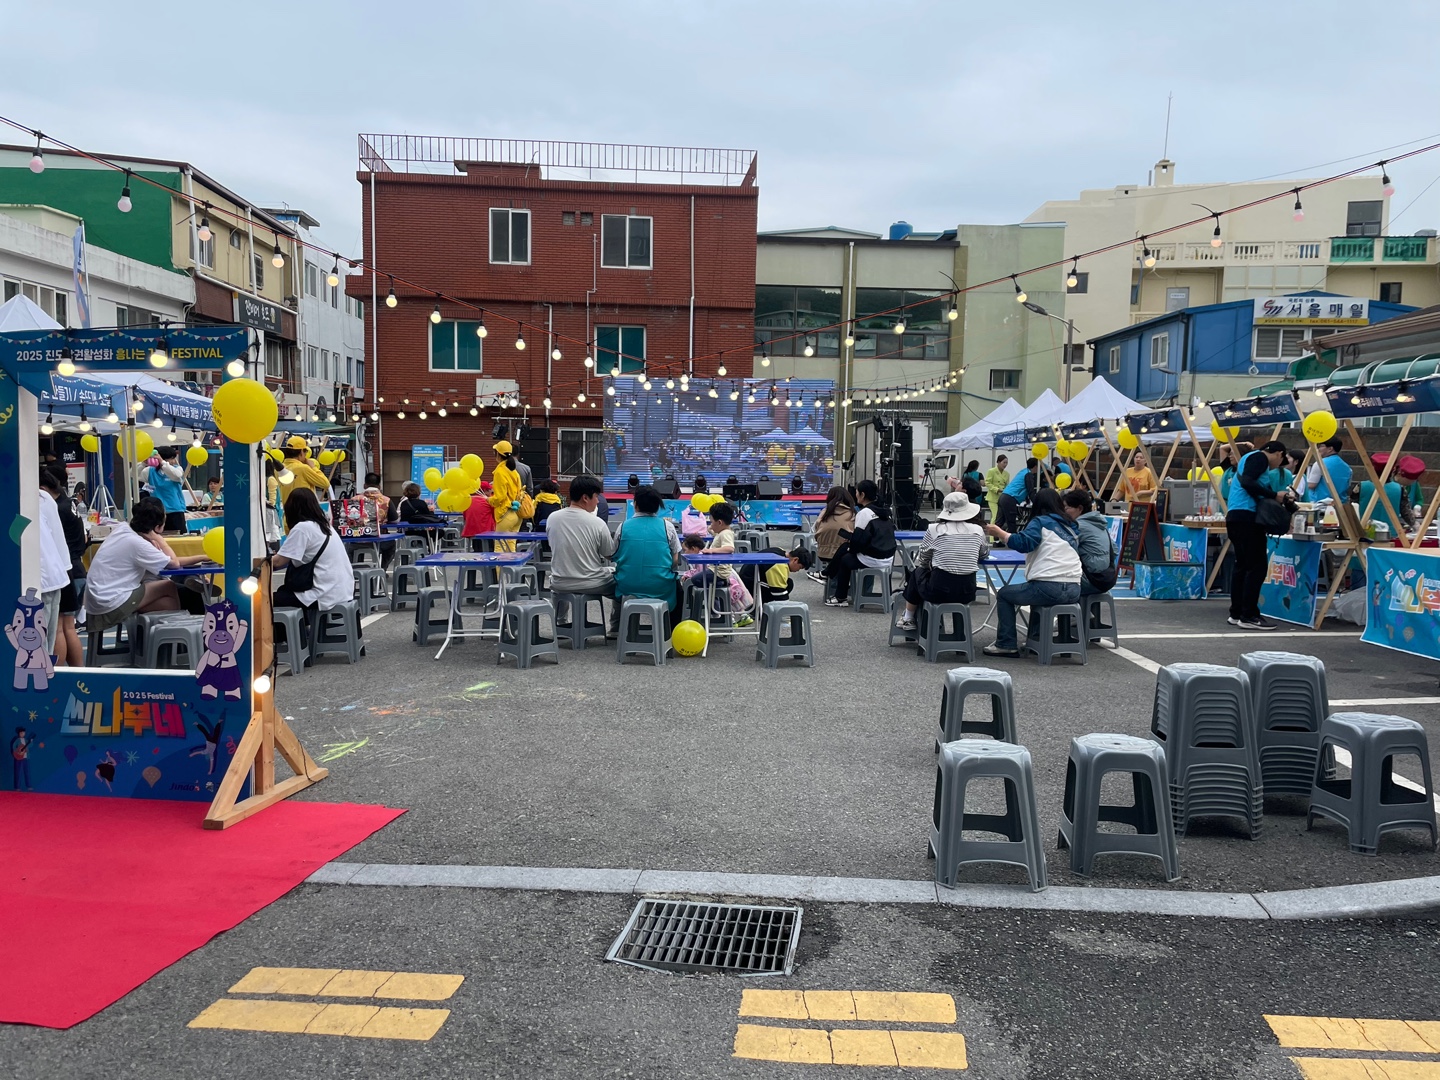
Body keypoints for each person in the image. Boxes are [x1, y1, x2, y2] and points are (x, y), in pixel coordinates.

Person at [83, 497, 209, 636]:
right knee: (168, 587)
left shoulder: (124, 530)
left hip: (99, 599)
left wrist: (202, 557)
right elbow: (174, 563)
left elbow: (165, 562)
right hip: (110, 601)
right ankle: (174, 640)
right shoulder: (138, 543)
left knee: (167, 599)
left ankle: (164, 643)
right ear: (157, 526)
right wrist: (158, 538)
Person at [982, 488, 1083, 657]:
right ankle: (1037, 640)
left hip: (1049, 586)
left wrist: (1001, 533)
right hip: (1074, 588)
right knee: (1038, 596)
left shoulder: (1040, 522)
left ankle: (1006, 643)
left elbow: (1024, 544)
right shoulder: (1070, 525)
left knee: (1005, 594)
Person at [272, 488, 357, 652]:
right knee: (284, 594)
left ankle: (290, 643)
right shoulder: (325, 526)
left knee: (269, 600)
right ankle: (301, 635)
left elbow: (278, 561)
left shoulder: (302, 528)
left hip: (322, 592)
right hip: (341, 589)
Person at [895, 491, 988, 632]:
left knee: (917, 573)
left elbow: (923, 558)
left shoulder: (934, 529)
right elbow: (984, 553)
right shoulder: (978, 530)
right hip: (967, 591)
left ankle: (908, 617)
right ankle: (959, 635)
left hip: (938, 590)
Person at [1225, 439, 1293, 631]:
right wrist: (1274, 496)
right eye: (1281, 460)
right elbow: (1248, 482)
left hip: (1236, 515)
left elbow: (1249, 482)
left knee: (1243, 566)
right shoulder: (1259, 457)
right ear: (1278, 453)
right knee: (1256, 566)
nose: (1278, 466)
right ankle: (1249, 615)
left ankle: (1237, 612)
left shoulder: (1247, 458)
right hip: (1247, 516)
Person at [546, 475, 620, 633]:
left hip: (560, 582)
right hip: (591, 582)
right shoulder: (597, 523)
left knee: (558, 580)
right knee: (623, 583)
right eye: (596, 497)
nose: (598, 501)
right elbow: (610, 555)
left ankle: (560, 625)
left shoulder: (552, 518)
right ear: (585, 498)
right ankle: (615, 628)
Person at [612, 484, 682, 616]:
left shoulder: (623, 526)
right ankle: (668, 630)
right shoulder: (668, 527)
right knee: (679, 590)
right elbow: (675, 559)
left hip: (627, 587)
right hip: (661, 587)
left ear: (635, 504)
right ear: (657, 506)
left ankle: (618, 627)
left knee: (616, 582)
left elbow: (613, 554)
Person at [824, 480, 895, 607]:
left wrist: (849, 548)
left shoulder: (864, 513)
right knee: (845, 548)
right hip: (888, 558)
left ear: (862, 494)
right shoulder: (884, 511)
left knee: (845, 560)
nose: (855, 495)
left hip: (874, 558)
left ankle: (840, 596)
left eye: (856, 492)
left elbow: (857, 542)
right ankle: (827, 573)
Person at [40, 470, 83, 665]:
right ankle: (75, 674)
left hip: (52, 574)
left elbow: (17, 533)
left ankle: (54, 677)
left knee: (57, 630)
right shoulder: (61, 503)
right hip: (67, 568)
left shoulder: (39, 501)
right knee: (68, 627)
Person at [36, 468, 72, 659]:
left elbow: (17, 535)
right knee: (44, 642)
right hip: (50, 576)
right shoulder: (42, 498)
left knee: (41, 645)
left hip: (45, 579)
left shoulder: (40, 499)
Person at [1062, 488, 1118, 596]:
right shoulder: (1100, 524)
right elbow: (1115, 550)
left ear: (1079, 508)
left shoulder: (1078, 526)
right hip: (1108, 579)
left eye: (1067, 507)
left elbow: (1062, 548)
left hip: (1091, 580)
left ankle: (1073, 613)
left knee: (1055, 586)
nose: (1064, 511)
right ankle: (1087, 612)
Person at [811, 486, 855, 586]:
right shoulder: (851, 513)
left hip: (823, 552)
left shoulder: (825, 512)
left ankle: (828, 579)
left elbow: (817, 529)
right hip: (843, 553)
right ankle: (840, 590)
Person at [489, 441, 527, 547]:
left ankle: (500, 565)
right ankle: (511, 564)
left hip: (505, 512)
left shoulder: (500, 472)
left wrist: (489, 500)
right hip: (517, 513)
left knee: (500, 546)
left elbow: (499, 497)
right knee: (511, 545)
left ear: (498, 454)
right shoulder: (514, 472)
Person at [1358, 453, 1407, 535]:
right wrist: (1415, 525)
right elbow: (1406, 512)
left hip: (1366, 533)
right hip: (1391, 534)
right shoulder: (1399, 489)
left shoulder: (1361, 486)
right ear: (1392, 470)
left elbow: (1352, 509)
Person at [278, 437, 331, 507]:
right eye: (305, 451)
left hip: (288, 514)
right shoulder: (303, 468)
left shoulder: (279, 469)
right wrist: (313, 467)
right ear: (301, 452)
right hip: (304, 512)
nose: (306, 454)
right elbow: (325, 483)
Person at [147, 446, 190, 533]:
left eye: (174, 458)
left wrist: (162, 462)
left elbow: (176, 475)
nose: (173, 461)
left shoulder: (177, 468)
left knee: (178, 537)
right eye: (171, 459)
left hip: (175, 511)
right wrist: (143, 463)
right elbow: (133, 474)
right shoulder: (150, 471)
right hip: (157, 512)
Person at [1306, 438, 1353, 505]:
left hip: (1320, 504)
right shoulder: (1348, 468)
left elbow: (1311, 485)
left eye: (1321, 446)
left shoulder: (1320, 463)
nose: (1318, 449)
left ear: (1330, 449)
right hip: (1340, 505)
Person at [997, 458, 1037, 532]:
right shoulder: (1028, 474)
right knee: (1011, 522)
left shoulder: (1023, 471)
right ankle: (1013, 541)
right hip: (1010, 498)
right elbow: (1030, 491)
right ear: (1035, 466)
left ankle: (996, 541)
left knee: (1000, 522)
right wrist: (1037, 503)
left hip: (1003, 496)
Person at [461, 481, 497, 547]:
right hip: (486, 532)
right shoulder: (488, 501)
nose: (491, 494)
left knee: (476, 550)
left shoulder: (468, 500)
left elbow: (465, 516)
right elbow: (496, 516)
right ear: (486, 491)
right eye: (491, 492)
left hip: (471, 532)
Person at [984, 455, 1010, 521]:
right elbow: (987, 483)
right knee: (995, 516)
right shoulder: (991, 471)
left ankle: (996, 530)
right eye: (1004, 462)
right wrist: (997, 489)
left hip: (1002, 498)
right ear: (998, 462)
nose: (1005, 464)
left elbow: (1007, 485)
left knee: (1000, 517)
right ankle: (992, 530)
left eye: (1006, 463)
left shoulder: (1007, 474)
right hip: (993, 498)